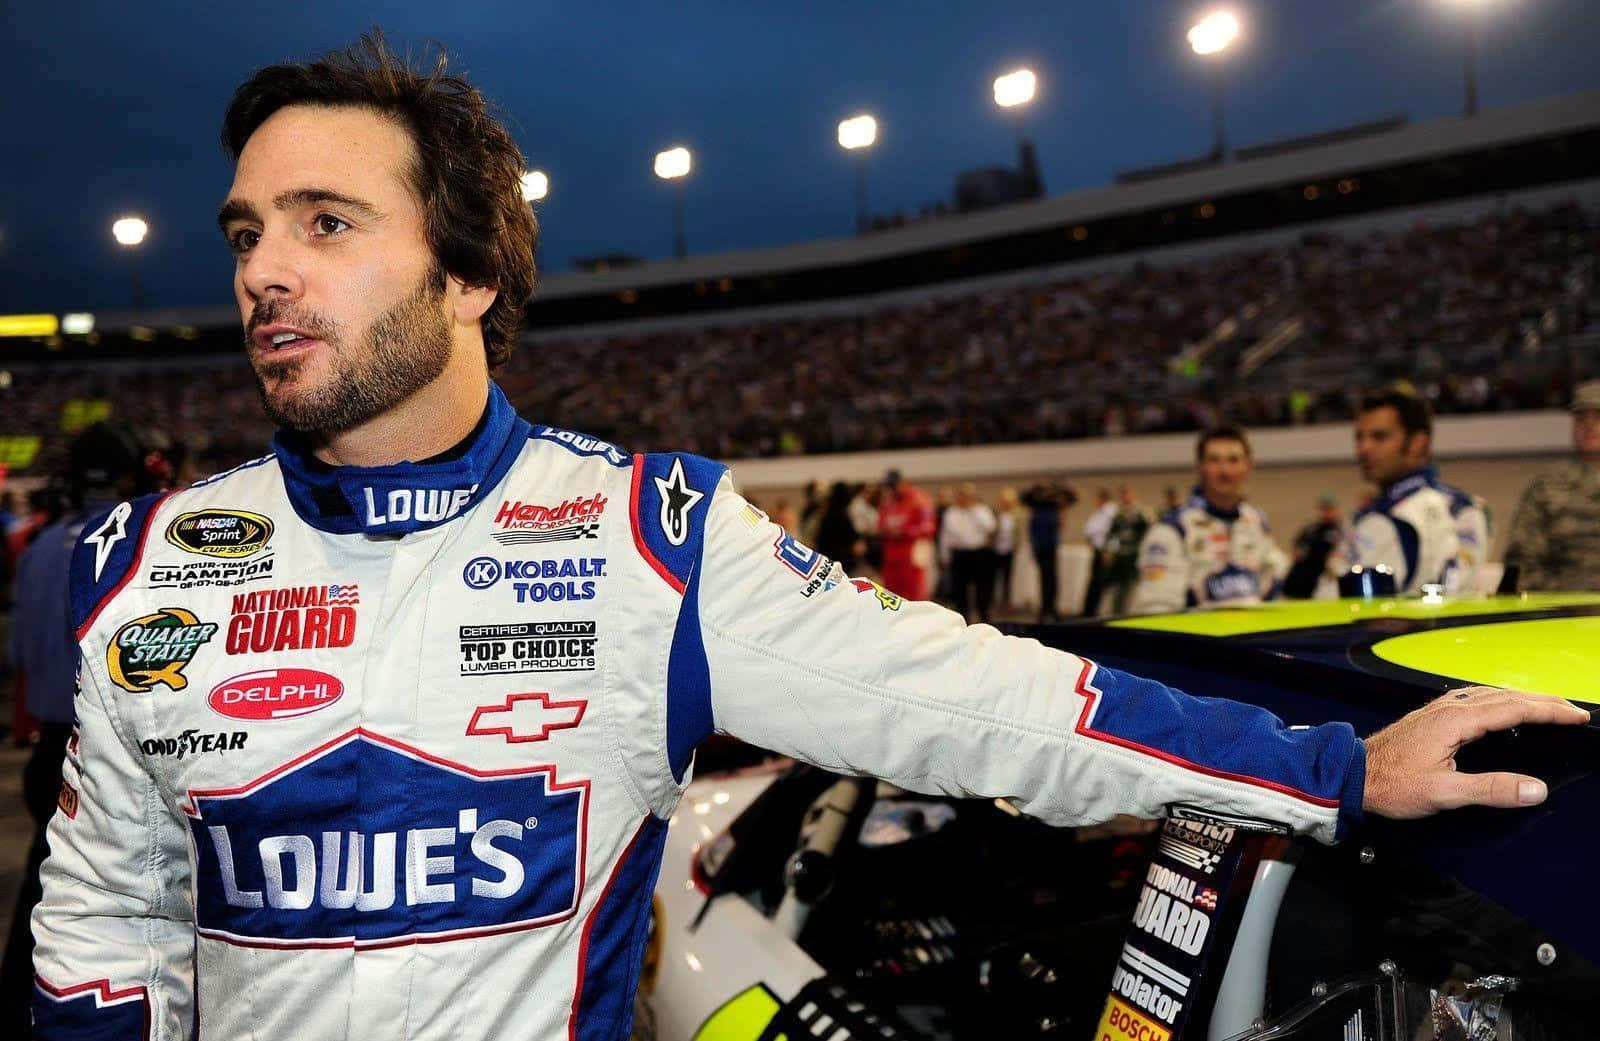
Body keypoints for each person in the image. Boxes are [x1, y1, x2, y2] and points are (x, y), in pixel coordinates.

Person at [30, 36, 1589, 1041]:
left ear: (471, 275)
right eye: (244, 230)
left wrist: (1330, 772)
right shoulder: (151, 568)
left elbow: (983, 701)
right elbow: (104, 923)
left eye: (324, 222)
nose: (261, 273)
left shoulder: (649, 541)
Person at [2, 424, 167, 1033]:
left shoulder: (41, 545)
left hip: (49, 752)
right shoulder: (142, 547)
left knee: (44, 920)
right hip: (117, 766)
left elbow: (20, 657)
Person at [1342, 389, 1489, 595]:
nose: (1364, 448)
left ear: (1418, 443)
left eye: (1379, 437)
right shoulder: (1368, 512)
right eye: (1359, 437)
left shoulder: (1456, 512)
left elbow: (1442, 604)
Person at [1129, 426, 1288, 614]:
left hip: (1247, 640)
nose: (1225, 471)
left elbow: (1272, 588)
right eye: (1214, 460)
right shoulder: (1173, 528)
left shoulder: (1255, 521)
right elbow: (1154, 611)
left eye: (1233, 460)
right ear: (1200, 467)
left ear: (1248, 466)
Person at [1502, 380, 1600, 591]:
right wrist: (1573, 597)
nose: (1589, 425)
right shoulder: (1546, 489)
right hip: (1564, 614)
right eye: (1581, 418)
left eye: (1598, 416)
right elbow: (1520, 566)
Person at [938, 483, 997, 622]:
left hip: (979, 553)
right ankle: (963, 621)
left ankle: (985, 620)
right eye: (961, 496)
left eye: (966, 496)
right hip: (959, 554)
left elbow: (990, 527)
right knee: (959, 592)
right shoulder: (952, 512)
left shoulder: (982, 510)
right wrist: (944, 555)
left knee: (982, 590)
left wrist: (973, 510)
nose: (963, 499)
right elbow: (945, 535)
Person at [876, 469, 936, 600]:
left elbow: (928, 528)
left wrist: (905, 532)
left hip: (912, 555)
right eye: (888, 486)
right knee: (891, 597)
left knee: (915, 596)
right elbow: (880, 525)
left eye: (893, 486)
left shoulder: (919, 500)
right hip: (891, 556)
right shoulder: (888, 502)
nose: (891, 489)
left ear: (903, 483)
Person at [1022, 478, 1075, 622]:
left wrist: (1058, 489)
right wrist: (1038, 489)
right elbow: (1024, 498)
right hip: (1040, 543)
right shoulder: (1037, 503)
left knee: (1051, 579)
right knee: (1045, 578)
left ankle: (1050, 609)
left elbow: (1072, 498)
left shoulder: (1053, 503)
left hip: (1050, 544)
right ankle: (1046, 610)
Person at [1097, 485, 1152, 615]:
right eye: (1123, 495)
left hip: (1135, 553)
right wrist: (1107, 550)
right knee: (1117, 586)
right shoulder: (1119, 514)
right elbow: (1111, 533)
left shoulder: (1141, 513)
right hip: (1121, 554)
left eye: (1128, 494)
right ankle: (1116, 610)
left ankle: (1132, 610)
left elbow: (1148, 531)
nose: (1126, 497)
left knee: (1132, 584)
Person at [1283, 495, 1344, 599]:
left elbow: (1337, 554)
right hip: (1300, 575)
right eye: (1324, 510)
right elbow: (1298, 546)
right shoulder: (1311, 529)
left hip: (1320, 578)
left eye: (1330, 510)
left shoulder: (1339, 531)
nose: (1327, 513)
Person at [1080, 487, 1115, 615]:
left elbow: (1112, 533)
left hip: (1105, 552)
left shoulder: (1110, 512)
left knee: (1100, 583)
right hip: (1098, 550)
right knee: (1094, 582)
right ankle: (1089, 611)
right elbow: (1088, 531)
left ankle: (1095, 612)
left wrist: (1109, 550)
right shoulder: (1099, 512)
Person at [990, 487, 1023, 612]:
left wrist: (1016, 545)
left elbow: (1018, 533)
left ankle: (1006, 602)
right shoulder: (997, 514)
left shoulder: (1016, 515)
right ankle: (994, 602)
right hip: (996, 549)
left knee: (1007, 579)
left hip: (1009, 550)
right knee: (994, 578)